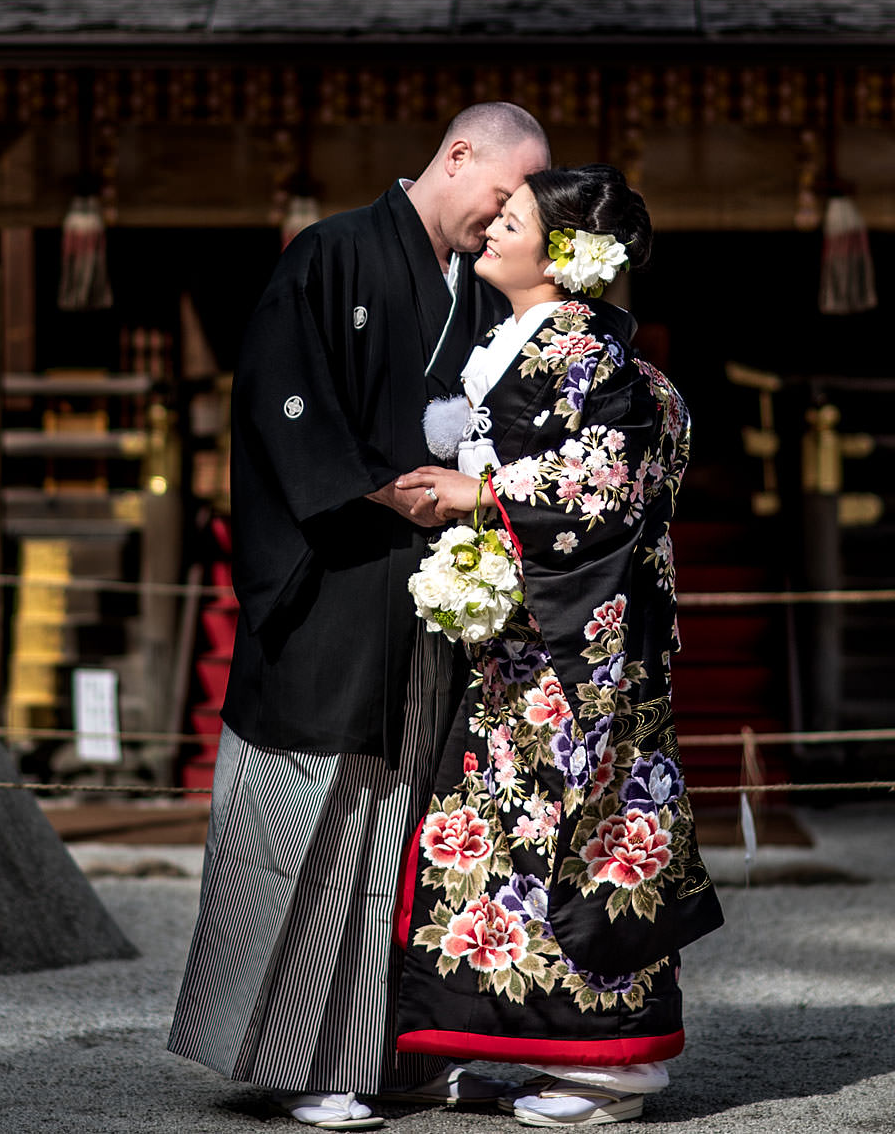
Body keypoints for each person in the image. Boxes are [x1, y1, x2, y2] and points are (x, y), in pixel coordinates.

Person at [168, 103, 553, 1131]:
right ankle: (307, 1059)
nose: (505, 217)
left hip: (434, 605)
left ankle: (411, 1054)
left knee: (429, 835)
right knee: (323, 828)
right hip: (337, 590)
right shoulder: (328, 256)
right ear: (457, 153)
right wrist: (391, 492)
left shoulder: (478, 292)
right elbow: (282, 406)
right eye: (503, 192)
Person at [391, 165, 721, 1129]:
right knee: (517, 841)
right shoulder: (556, 346)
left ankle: (612, 1064)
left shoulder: (585, 356)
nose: (492, 225)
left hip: (578, 658)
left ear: (566, 253)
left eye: (515, 218)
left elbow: (598, 493)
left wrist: (474, 498)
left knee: (578, 841)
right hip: (546, 637)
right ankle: (542, 1045)